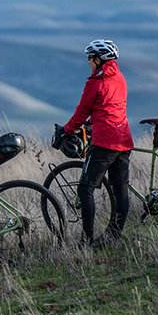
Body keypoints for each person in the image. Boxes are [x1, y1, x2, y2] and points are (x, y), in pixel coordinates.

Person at [62, 39, 133, 247]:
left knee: (85, 189)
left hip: (105, 143)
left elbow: (81, 112)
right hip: (124, 139)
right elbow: (109, 107)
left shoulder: (95, 83)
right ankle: (113, 236)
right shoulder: (120, 77)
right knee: (120, 189)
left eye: (90, 59)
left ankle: (86, 241)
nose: (88, 63)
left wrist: (66, 130)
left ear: (99, 59)